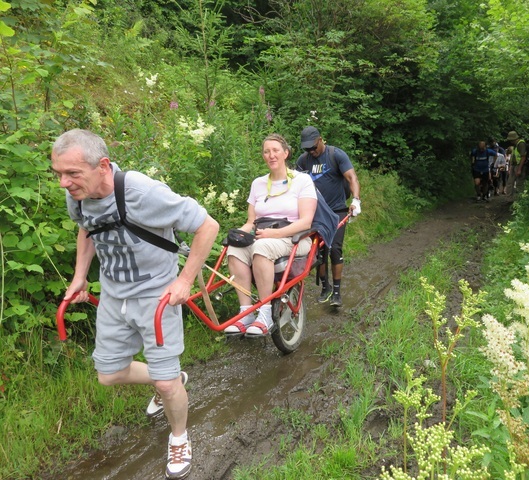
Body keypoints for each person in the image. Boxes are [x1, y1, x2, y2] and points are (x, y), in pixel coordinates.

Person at [51, 129, 219, 480]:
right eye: (59, 174)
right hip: (114, 295)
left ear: (103, 165)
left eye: (72, 174)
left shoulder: (143, 192)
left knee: (167, 383)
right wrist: (81, 275)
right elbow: (86, 228)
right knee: (108, 375)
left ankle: (179, 436)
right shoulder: (78, 195)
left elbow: (207, 226)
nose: (64, 183)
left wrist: (184, 280)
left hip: (157, 296)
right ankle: (166, 380)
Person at [223, 133, 317, 336]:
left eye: (275, 150)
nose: (271, 155)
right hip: (263, 236)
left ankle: (265, 313)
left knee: (261, 247)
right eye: (266, 151)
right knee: (234, 250)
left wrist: (275, 234)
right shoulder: (258, 184)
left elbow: (306, 221)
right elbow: (250, 222)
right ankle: (246, 312)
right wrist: (238, 236)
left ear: (285, 153)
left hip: (295, 237)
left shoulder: (302, 180)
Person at [295, 126, 361, 308]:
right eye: (307, 149)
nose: (312, 151)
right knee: (317, 253)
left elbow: (352, 178)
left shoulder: (336, 155)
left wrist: (356, 200)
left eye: (314, 147)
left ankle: (337, 293)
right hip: (314, 212)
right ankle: (325, 288)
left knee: (335, 249)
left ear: (321, 140)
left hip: (337, 210)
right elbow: (296, 187)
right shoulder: (302, 161)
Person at [505, 131, 527, 196]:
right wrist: (511, 167)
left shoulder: (521, 144)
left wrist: (519, 169)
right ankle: (509, 199)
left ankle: (519, 199)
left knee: (519, 183)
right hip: (514, 165)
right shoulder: (515, 144)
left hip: (519, 165)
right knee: (510, 182)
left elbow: (523, 157)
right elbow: (513, 156)